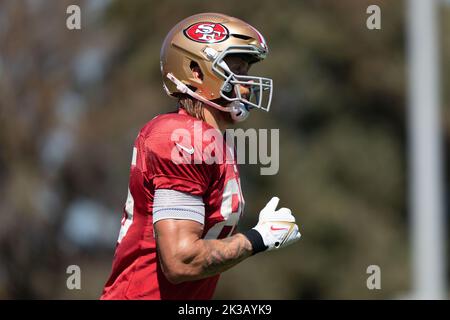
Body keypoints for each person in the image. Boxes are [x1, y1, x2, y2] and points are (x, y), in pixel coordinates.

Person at [101, 12, 301, 300]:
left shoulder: (213, 142)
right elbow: (181, 260)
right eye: (237, 70)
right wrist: (258, 239)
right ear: (196, 71)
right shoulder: (181, 137)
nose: (246, 84)